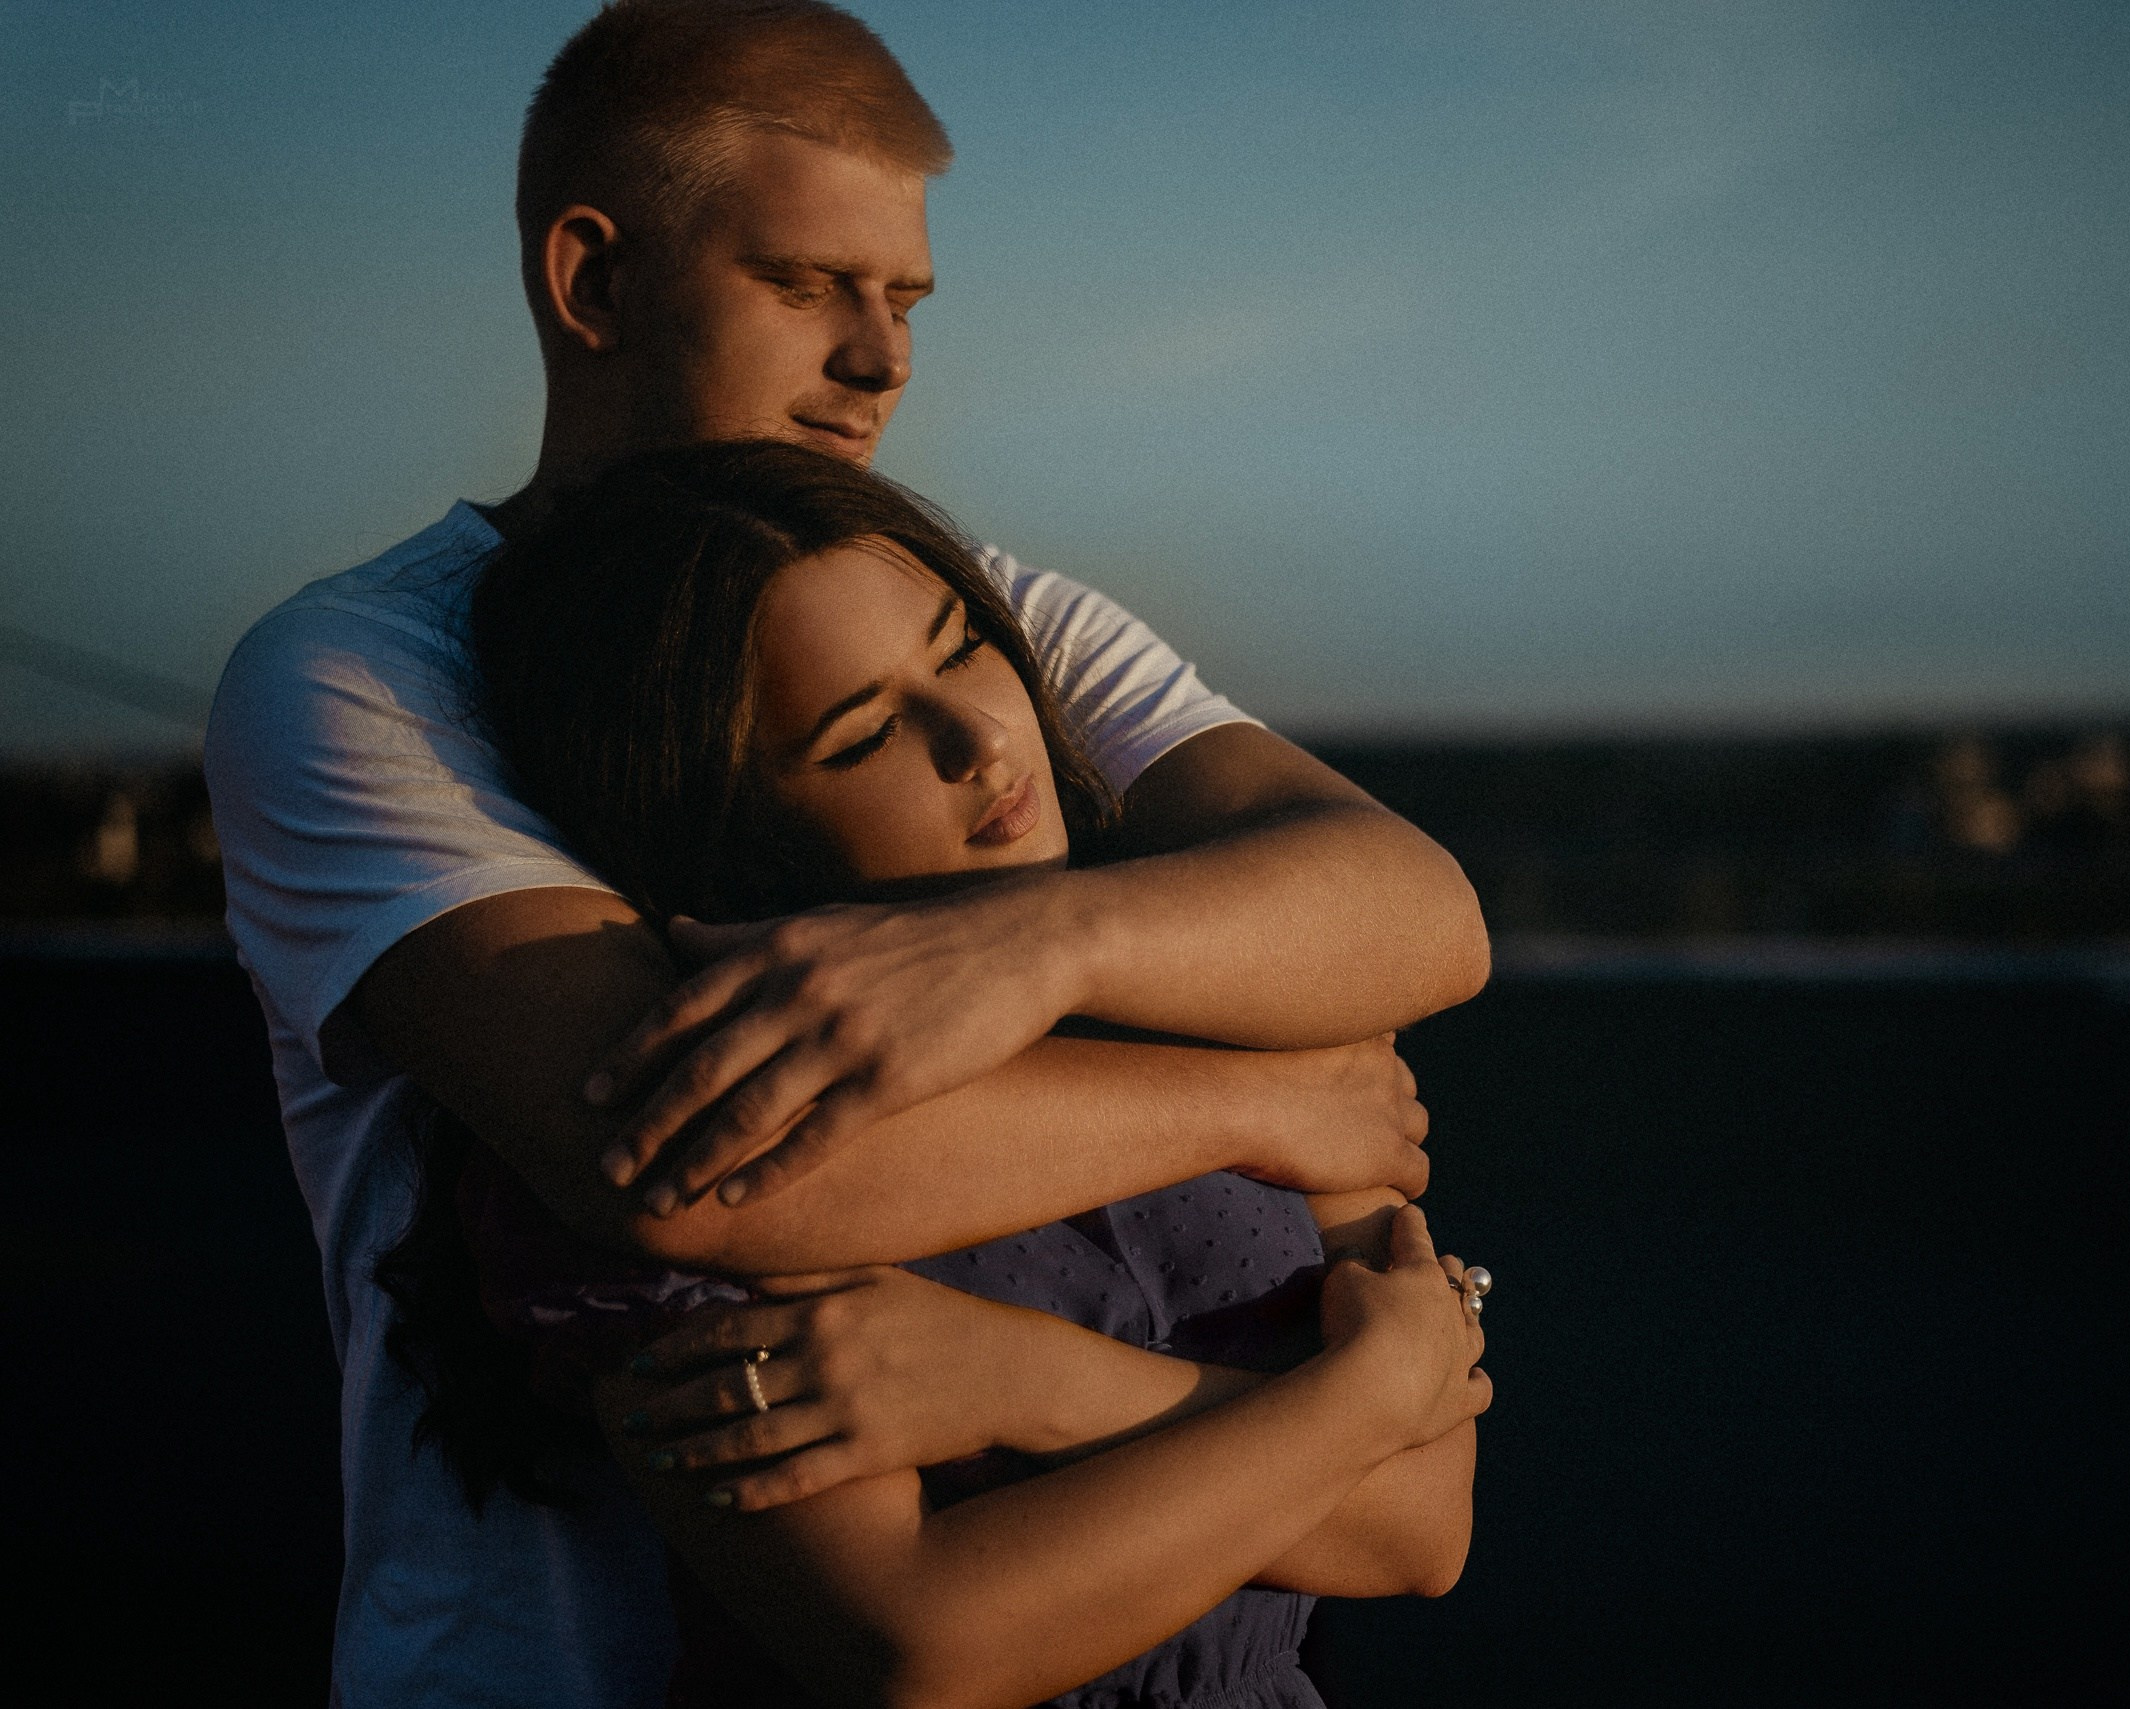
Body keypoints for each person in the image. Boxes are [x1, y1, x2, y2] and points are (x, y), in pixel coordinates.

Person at [201, 4, 1488, 1704]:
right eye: (808, 283)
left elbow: (1415, 907)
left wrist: (1042, 945)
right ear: (592, 282)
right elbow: (705, 1159)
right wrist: (1266, 1092)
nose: (883, 358)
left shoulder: (974, 603)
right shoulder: (366, 673)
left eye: (906, 300)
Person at [388, 438, 1489, 1708]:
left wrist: (1011, 1380)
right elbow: (922, 1643)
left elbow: (1416, 1525)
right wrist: (1364, 1394)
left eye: (964, 647)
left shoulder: (1249, 982)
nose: (978, 736)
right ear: (723, 827)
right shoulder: (728, 1116)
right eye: (864, 734)